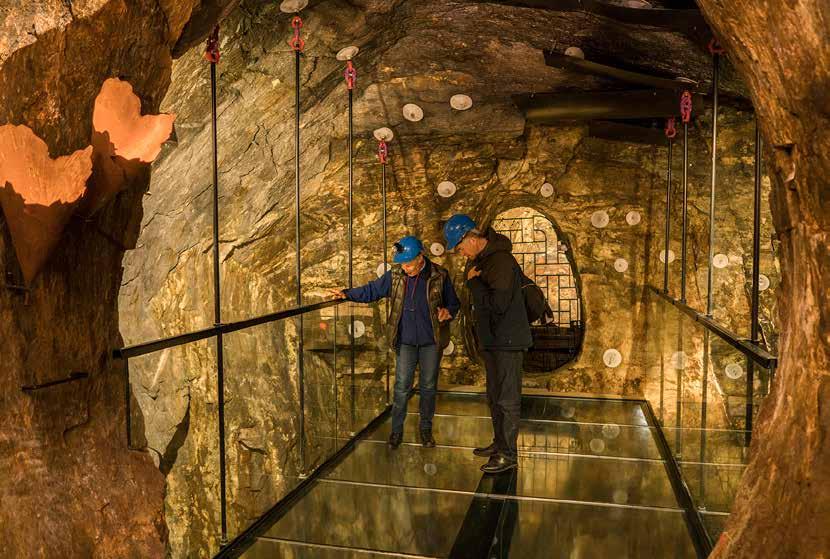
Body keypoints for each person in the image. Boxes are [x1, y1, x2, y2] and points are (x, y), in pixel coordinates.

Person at [331, 235, 460, 449]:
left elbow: (454, 304)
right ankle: (396, 431)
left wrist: (449, 312)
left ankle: (425, 429)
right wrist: (346, 294)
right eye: (402, 264)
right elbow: (372, 290)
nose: (406, 268)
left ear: (421, 257)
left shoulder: (440, 275)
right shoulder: (395, 275)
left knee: (428, 387)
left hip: (431, 341)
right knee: (401, 387)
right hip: (405, 341)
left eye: (409, 264)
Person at [443, 214, 532, 474]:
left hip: (507, 341)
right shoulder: (485, 260)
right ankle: (499, 444)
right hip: (495, 341)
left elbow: (498, 304)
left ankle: (508, 454)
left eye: (460, 248)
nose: (460, 253)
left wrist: (473, 283)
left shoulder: (500, 260)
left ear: (471, 238)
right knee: (495, 397)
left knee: (507, 398)